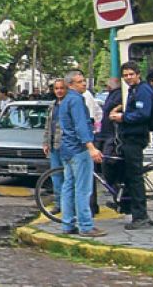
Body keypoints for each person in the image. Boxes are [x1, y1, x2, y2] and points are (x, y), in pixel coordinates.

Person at [59, 70, 105, 237]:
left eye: (83, 81)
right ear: (71, 84)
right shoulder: (77, 100)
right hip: (79, 149)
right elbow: (81, 126)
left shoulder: (64, 101)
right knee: (82, 189)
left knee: (68, 186)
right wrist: (91, 147)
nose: (83, 84)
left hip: (67, 148)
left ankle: (67, 223)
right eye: (79, 82)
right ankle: (85, 225)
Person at [109, 61, 153, 230]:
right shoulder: (133, 90)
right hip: (128, 137)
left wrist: (122, 117)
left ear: (138, 74)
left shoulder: (143, 90)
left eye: (131, 74)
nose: (128, 78)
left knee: (135, 178)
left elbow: (143, 114)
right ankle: (125, 205)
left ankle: (141, 216)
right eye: (125, 75)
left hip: (136, 138)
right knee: (124, 172)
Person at [42, 79, 68, 213]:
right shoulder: (52, 105)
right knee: (56, 177)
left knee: (68, 177)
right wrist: (46, 142)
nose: (59, 91)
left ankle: (67, 205)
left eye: (61, 88)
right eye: (56, 88)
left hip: (65, 146)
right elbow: (48, 125)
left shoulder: (69, 104)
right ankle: (58, 204)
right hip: (53, 146)